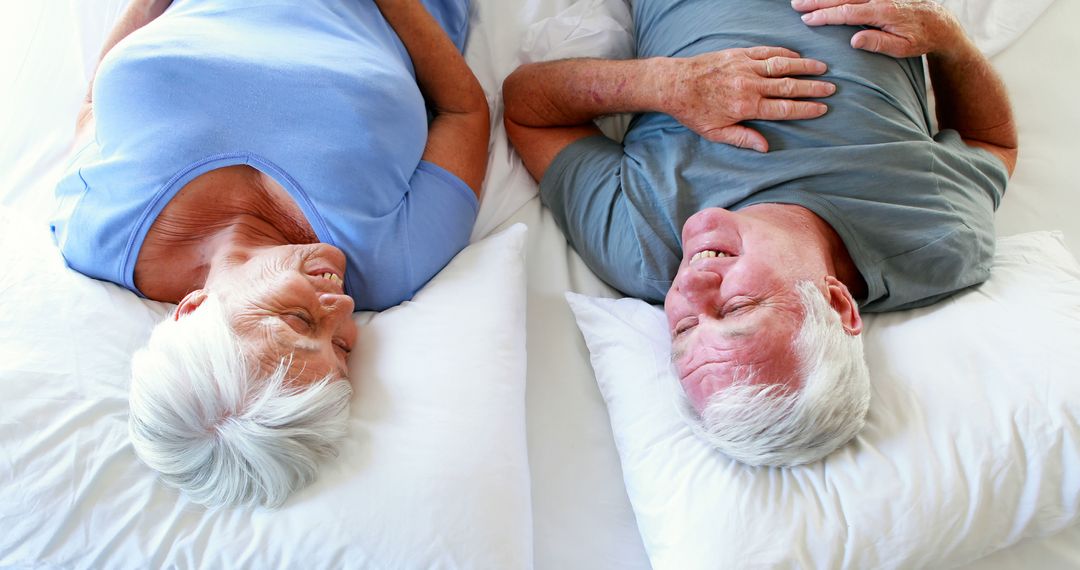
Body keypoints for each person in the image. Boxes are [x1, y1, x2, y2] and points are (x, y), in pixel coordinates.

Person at [503, 0, 1016, 466]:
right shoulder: (938, 240)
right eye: (736, 308)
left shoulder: (639, 241)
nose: (689, 290)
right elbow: (990, 142)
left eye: (682, 329)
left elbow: (528, 107)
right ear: (837, 303)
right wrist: (949, 42)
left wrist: (666, 84)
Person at [50, 0, 489, 507]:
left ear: (192, 310)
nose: (344, 310)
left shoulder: (95, 230)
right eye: (342, 349)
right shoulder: (393, 260)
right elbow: (465, 111)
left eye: (300, 321)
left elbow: (92, 106)